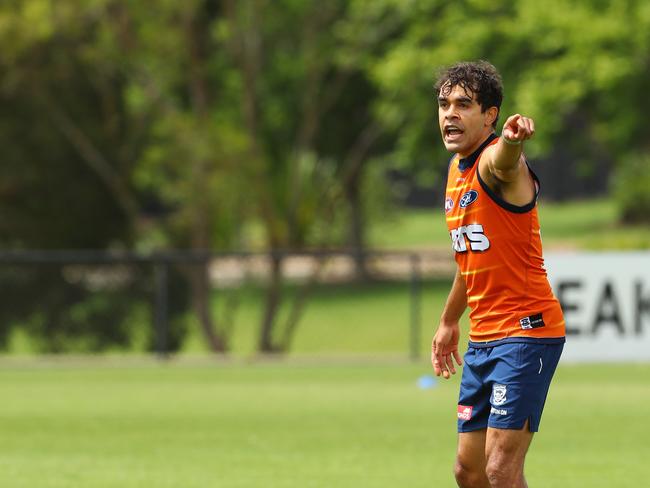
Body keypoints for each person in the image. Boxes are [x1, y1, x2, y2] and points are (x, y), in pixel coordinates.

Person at [431, 60, 566, 488]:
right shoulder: (456, 171)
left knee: (499, 469)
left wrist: (511, 141)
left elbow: (505, 163)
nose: (450, 113)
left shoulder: (493, 161)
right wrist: (450, 320)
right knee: (468, 473)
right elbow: (469, 262)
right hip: (484, 340)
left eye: (463, 104)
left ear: (489, 115)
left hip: (526, 332)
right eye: (444, 103)